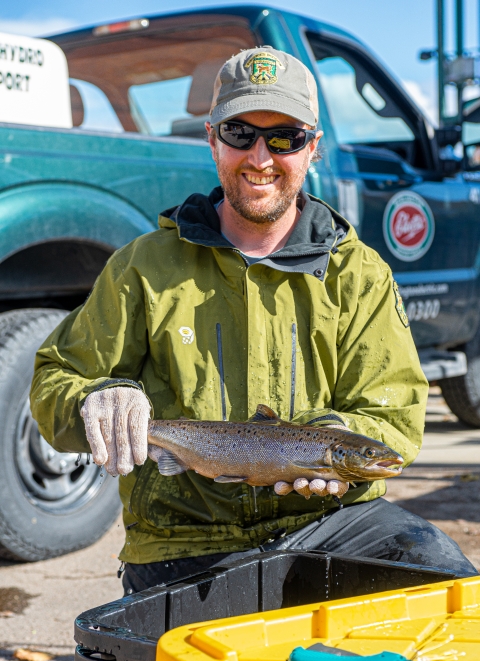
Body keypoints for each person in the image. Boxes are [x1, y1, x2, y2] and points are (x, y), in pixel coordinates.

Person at [30, 47, 476, 594]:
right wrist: (98, 396)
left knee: (447, 586)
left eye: (285, 137)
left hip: (330, 520)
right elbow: (54, 383)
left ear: (313, 148)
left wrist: (330, 442)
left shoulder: (358, 275)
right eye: (241, 133)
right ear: (213, 140)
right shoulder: (142, 267)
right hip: (184, 534)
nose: (260, 157)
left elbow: (396, 418)